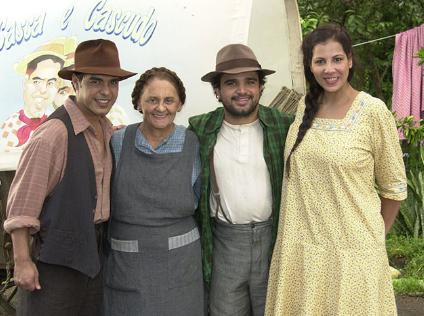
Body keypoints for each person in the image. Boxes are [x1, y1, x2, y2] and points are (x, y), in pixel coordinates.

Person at [265, 24, 407, 315]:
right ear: (309, 66)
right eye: (320, 61)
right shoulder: (303, 105)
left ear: (350, 60)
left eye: (337, 59)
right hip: (301, 253)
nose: (330, 69)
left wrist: (373, 240)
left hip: (353, 256)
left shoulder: (373, 111)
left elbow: (394, 188)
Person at [4, 38, 136, 316]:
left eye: (113, 83)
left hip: (94, 255)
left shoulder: (107, 129)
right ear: (76, 83)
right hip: (56, 261)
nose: (106, 91)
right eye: (96, 82)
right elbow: (21, 207)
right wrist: (23, 262)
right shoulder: (54, 133)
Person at [188, 44, 294, 316]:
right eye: (231, 83)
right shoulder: (200, 128)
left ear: (260, 87)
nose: (242, 90)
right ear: (217, 90)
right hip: (224, 243)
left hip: (274, 241)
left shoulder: (284, 125)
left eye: (250, 81)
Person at [104, 67, 204, 315]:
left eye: (169, 100)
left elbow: (201, 195)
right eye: (152, 100)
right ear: (139, 102)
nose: (161, 107)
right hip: (128, 264)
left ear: (180, 104)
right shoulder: (118, 141)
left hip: (181, 264)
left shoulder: (193, 143)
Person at [0, 38, 77, 151]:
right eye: (37, 81)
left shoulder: (57, 123)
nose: (43, 90)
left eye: (51, 82)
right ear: (26, 81)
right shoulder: (7, 129)